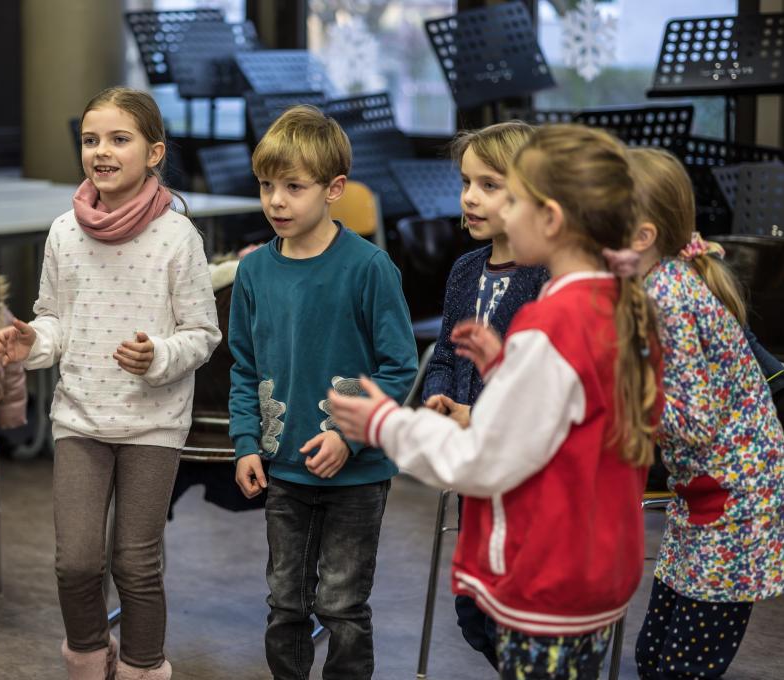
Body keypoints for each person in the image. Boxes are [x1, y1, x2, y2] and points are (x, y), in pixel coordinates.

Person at [329, 124, 663, 680]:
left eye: (516, 198)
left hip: (547, 579)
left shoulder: (551, 328)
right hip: (595, 569)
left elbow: (480, 462)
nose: (496, 209)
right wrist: (506, 368)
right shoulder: (611, 303)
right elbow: (570, 411)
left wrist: (386, 423)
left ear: (550, 219)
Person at [0, 87, 220, 680]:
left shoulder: (178, 237)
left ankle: (144, 667)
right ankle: (90, 660)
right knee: (75, 563)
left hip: (154, 423)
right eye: (91, 139)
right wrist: (32, 344)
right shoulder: (64, 232)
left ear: (154, 152)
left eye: (119, 139)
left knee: (137, 564)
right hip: (81, 418)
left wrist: (158, 355)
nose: (101, 151)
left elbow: (203, 333)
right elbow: (54, 321)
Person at [228, 105, 418, 680]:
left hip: (356, 477)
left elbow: (399, 368)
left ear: (334, 189)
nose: (277, 201)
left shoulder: (369, 268)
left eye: (293, 187)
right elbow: (242, 367)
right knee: (285, 603)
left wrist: (346, 438)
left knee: (341, 606)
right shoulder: (254, 272)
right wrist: (244, 444)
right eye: (266, 186)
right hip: (284, 471)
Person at [626, 147, 784, 679]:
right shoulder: (652, 284)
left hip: (737, 497)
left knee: (681, 667)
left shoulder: (667, 297)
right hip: (703, 490)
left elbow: (691, 420)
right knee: (654, 657)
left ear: (641, 236)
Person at [421, 120, 548, 669]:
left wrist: (484, 414)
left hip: (530, 474)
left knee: (522, 607)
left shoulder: (549, 276)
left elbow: (538, 377)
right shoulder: (465, 270)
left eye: (489, 185)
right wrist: (439, 400)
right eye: (466, 182)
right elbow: (446, 355)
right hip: (477, 465)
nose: (470, 197)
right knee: (475, 612)